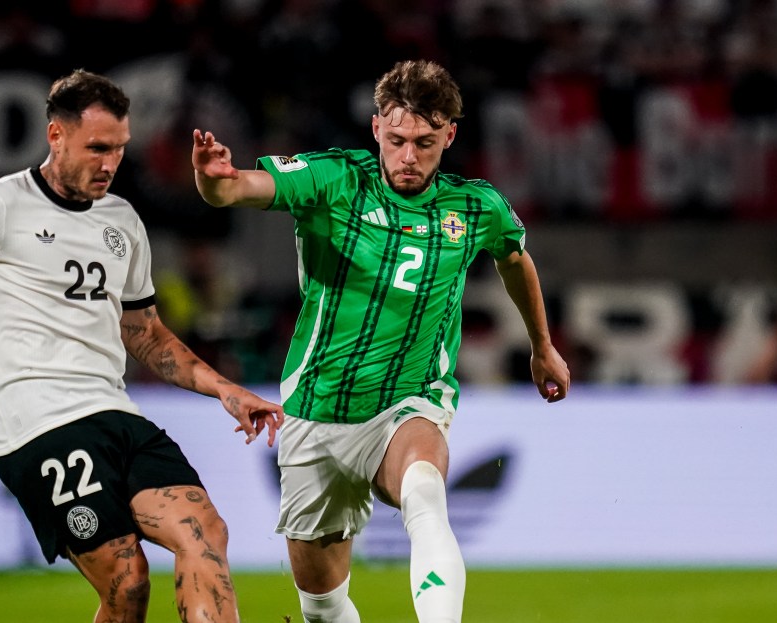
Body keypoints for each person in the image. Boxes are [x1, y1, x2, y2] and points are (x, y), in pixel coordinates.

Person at [0, 68, 283, 623]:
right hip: (35, 421)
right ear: (55, 135)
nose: (110, 164)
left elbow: (144, 333)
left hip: (113, 411)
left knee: (206, 534)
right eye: (97, 148)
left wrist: (226, 390)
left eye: (119, 149)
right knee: (127, 581)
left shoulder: (122, 221)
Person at [192, 59, 571, 623]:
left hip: (407, 401)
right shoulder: (334, 179)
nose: (409, 156)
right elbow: (234, 190)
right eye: (397, 140)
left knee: (424, 490)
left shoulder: (474, 207)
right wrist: (211, 177)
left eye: (424, 141)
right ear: (376, 131)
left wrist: (543, 345)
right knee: (322, 606)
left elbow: (515, 258)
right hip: (318, 408)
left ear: (449, 135)